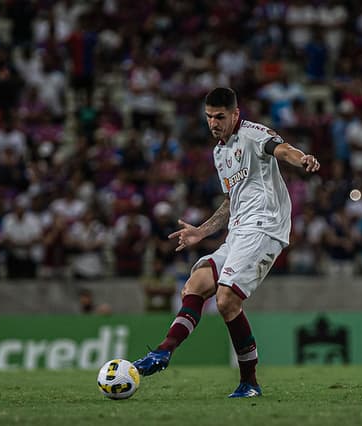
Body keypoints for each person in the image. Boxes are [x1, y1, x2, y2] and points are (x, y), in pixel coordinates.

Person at [133, 87, 320, 398]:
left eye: (220, 116)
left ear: (235, 114)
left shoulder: (254, 134)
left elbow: (282, 149)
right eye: (209, 117)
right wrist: (202, 232)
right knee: (196, 283)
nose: (213, 123)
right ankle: (163, 352)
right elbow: (232, 200)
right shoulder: (219, 153)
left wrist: (303, 159)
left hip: (264, 227)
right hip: (238, 231)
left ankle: (250, 382)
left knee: (226, 300)